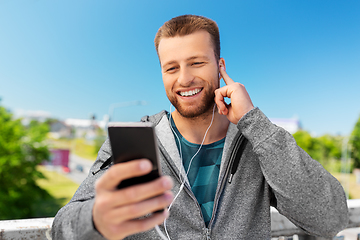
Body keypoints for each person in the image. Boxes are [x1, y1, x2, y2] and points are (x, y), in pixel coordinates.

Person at [52, 15, 349, 240]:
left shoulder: (258, 141)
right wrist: (95, 218)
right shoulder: (133, 141)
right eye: (171, 68)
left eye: (196, 63)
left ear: (219, 67)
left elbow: (331, 218)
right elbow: (61, 229)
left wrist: (254, 123)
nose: (184, 79)